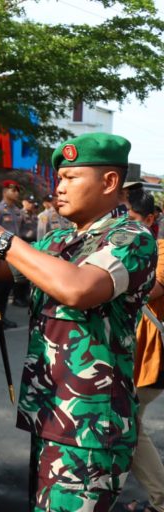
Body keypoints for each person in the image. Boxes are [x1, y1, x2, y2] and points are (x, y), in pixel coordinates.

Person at [0, 132, 157, 511]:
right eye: (59, 178)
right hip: (50, 414)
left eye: (72, 177)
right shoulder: (58, 240)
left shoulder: (131, 237)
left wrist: (4, 242)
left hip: (91, 427)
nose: (59, 187)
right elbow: (2, 275)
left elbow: (78, 288)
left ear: (109, 182)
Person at [122, 190, 164, 512]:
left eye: (133, 220)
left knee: (129, 422)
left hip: (154, 356)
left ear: (151, 220)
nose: (126, 226)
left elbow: (153, 289)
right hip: (135, 352)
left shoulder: (161, 250)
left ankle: (161, 498)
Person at [0, 179, 23, 328]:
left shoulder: (17, 211)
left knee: (6, 289)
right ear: (4, 192)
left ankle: (2, 317)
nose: (16, 193)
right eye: (12, 190)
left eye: (17, 190)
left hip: (12, 254)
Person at [12, 194, 39, 307]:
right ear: (23, 202)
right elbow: (17, 229)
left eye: (32, 202)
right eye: (29, 202)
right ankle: (17, 297)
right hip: (22, 242)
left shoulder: (34, 215)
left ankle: (25, 296)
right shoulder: (20, 214)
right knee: (19, 272)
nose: (31, 204)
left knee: (28, 272)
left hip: (31, 244)